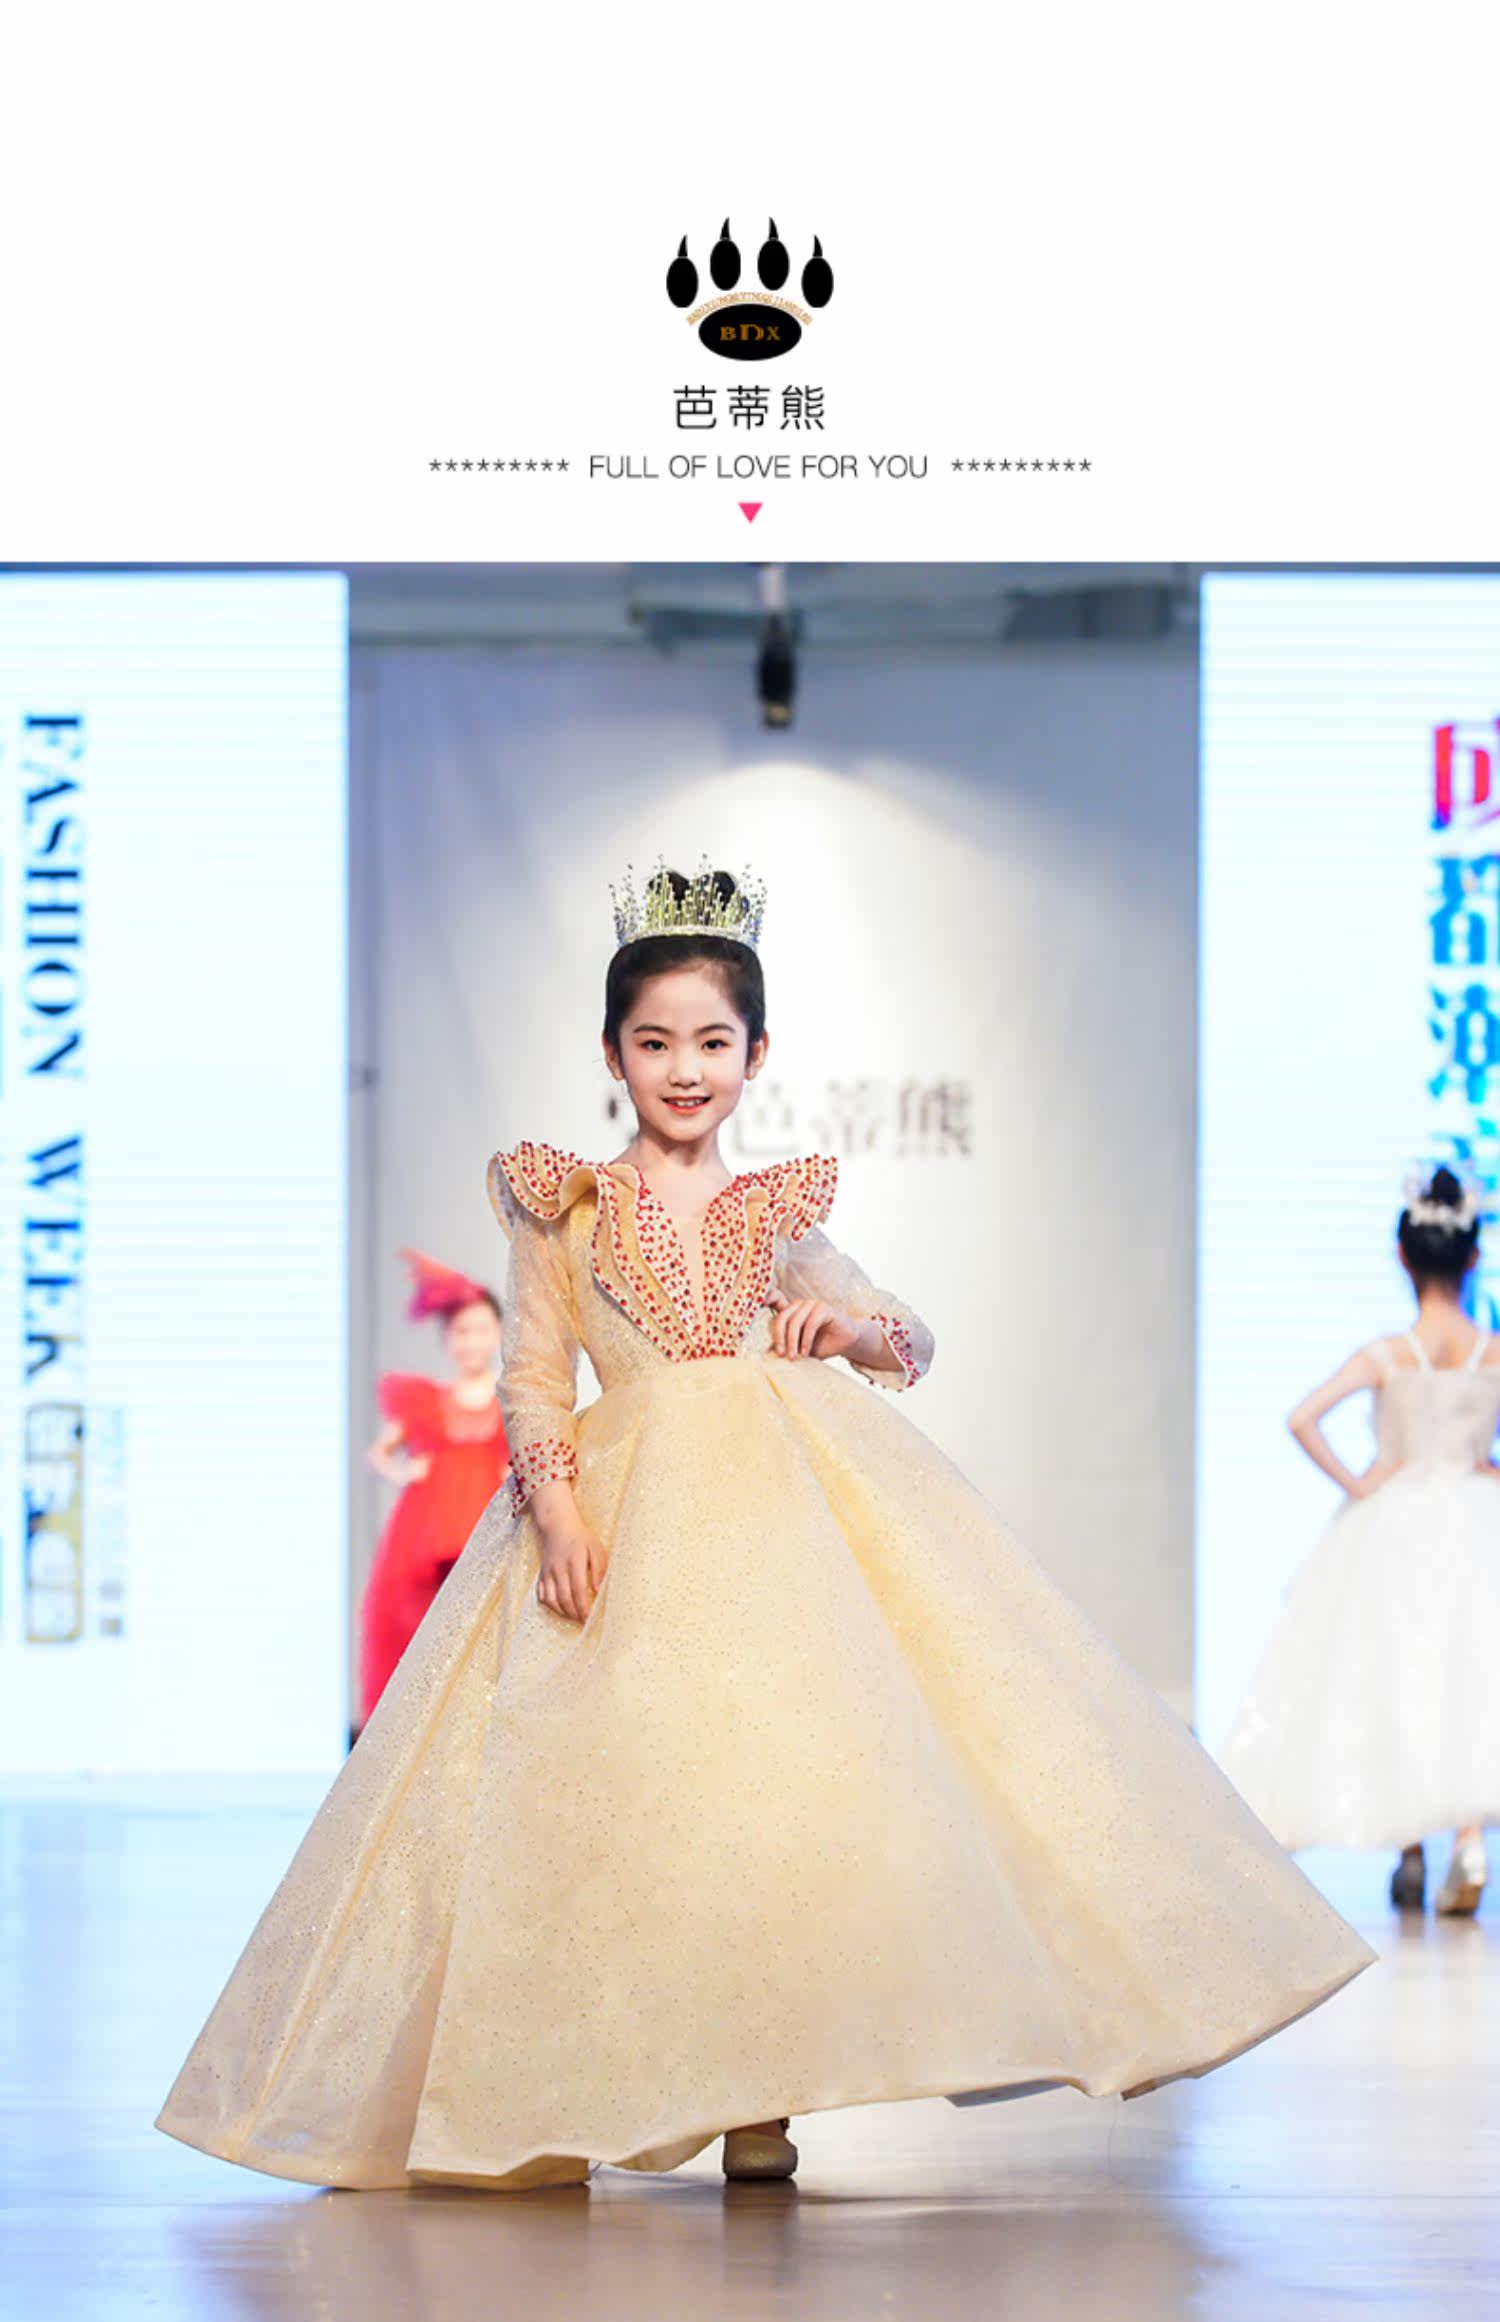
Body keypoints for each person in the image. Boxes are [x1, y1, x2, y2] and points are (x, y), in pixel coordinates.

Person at [156, 859, 1376, 2194]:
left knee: (771, 1800)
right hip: (623, 1522)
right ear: (612, 1054)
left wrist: (845, 1330)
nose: (684, 1070)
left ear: (757, 1054)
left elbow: (907, 1335)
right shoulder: (568, 1204)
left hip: (780, 1533)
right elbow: (533, 1371)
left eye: (711, 1042)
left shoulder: (775, 1210)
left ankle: (759, 2100)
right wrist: (555, 1508)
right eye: (655, 1042)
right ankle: (578, 2083)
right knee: (623, 1806)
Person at [1216, 1165, 1500, 1916]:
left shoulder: (1389, 1354)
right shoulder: (1492, 1351)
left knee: (1402, 1670)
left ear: (1403, 1255)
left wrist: (1360, 1482)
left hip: (1397, 1519)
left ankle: (1411, 1852)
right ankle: (1469, 1839)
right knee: (1470, 1670)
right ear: (1473, 1256)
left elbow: (1303, 1417)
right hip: (1478, 1513)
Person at [353, 1249, 510, 1737]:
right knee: (418, 1629)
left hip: (486, 1526)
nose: (471, 1342)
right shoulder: (427, 1401)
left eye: (480, 1330)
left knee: (487, 1629)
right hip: (427, 1531)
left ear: (498, 1333)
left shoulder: (510, 1396)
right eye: (461, 1332)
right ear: (446, 1339)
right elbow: (379, 1453)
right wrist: (406, 1472)